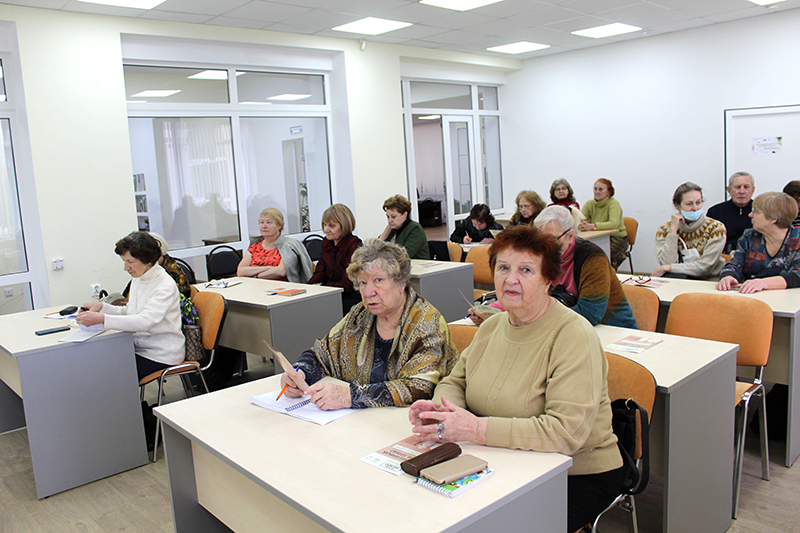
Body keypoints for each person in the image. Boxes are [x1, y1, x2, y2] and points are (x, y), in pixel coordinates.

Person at [409, 226, 623, 532]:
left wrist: (475, 428)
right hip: (500, 459)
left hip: (575, 472)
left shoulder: (573, 335)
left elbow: (565, 435)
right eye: (503, 268)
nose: (510, 279)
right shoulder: (492, 327)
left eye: (526, 270)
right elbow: (454, 383)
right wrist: (445, 413)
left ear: (549, 279)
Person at [280, 239, 458, 410]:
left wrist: (351, 396)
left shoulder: (428, 322)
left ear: (400, 283)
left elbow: (419, 387)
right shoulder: (359, 315)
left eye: (378, 280)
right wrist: (299, 373)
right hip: (357, 421)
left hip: (408, 421)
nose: (368, 292)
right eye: (363, 283)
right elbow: (322, 353)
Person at [77, 232, 184, 381]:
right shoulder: (139, 278)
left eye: (130, 262)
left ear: (147, 260)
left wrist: (102, 319)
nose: (126, 268)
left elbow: (145, 321)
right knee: (95, 363)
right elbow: (130, 312)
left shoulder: (164, 285)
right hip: (139, 348)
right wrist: (102, 307)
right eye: (124, 261)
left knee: (107, 374)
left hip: (161, 354)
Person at [535, 205, 638, 328]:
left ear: (570, 236)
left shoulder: (593, 257)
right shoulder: (542, 257)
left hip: (612, 329)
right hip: (567, 327)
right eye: (540, 240)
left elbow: (590, 314)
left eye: (552, 239)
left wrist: (539, 316)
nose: (545, 247)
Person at [717, 192, 800, 294]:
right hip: (752, 296)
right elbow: (735, 265)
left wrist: (763, 283)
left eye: (755, 212)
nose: (750, 215)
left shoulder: (797, 238)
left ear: (773, 218)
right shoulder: (749, 236)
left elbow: (797, 275)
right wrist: (728, 276)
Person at [652, 182, 726, 279]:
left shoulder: (716, 228)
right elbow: (666, 263)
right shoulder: (664, 230)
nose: (695, 208)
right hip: (677, 280)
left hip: (708, 280)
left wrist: (670, 268)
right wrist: (673, 231)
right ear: (677, 206)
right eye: (689, 204)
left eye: (698, 202)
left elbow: (706, 266)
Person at [308, 204, 363, 313]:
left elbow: (348, 284)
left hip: (349, 297)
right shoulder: (326, 243)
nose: (326, 229)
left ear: (344, 225)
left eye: (332, 226)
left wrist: (322, 287)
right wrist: (308, 289)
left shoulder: (354, 245)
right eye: (324, 225)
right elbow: (320, 272)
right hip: (331, 292)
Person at [237, 207, 313, 283]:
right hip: (255, 286)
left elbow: (280, 272)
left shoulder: (288, 246)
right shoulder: (254, 247)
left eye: (268, 222)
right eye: (262, 222)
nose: (264, 226)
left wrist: (255, 276)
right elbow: (240, 271)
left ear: (279, 225)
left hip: (282, 287)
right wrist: (267, 268)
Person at [580, 178, 628, 271]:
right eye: (595, 189)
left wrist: (593, 226)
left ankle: (607, 276)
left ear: (608, 192)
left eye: (601, 189)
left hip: (617, 239)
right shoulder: (590, 203)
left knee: (600, 256)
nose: (597, 192)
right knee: (582, 252)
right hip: (597, 237)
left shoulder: (613, 204)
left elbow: (613, 224)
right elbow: (580, 219)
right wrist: (581, 225)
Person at [708, 171, 755, 253]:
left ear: (753, 190)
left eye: (746, 187)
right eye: (737, 187)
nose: (742, 191)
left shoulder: (761, 212)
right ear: (729, 190)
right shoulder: (715, 212)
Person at [379, 194, 430, 260]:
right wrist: (383, 237)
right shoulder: (392, 229)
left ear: (405, 214)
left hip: (416, 265)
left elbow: (404, 255)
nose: (389, 220)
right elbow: (375, 250)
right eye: (388, 217)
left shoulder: (415, 229)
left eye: (393, 217)